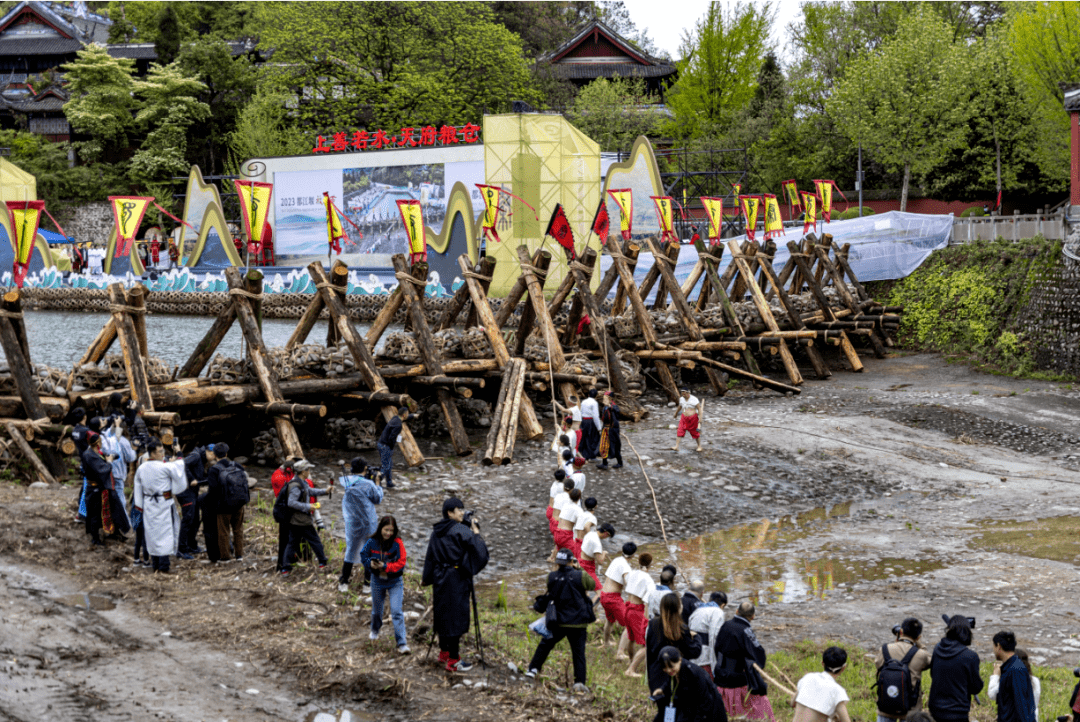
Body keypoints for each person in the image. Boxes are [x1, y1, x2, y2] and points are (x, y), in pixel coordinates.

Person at [421, 497, 489, 672]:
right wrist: (475, 531)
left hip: (439, 577)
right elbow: (479, 554)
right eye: (459, 510)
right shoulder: (461, 530)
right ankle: (454, 659)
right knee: (456, 617)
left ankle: (443, 653)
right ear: (450, 513)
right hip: (456, 578)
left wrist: (427, 578)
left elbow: (430, 556)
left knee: (442, 613)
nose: (462, 513)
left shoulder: (437, 531)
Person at [524, 548, 596, 692]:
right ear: (571, 561)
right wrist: (579, 567)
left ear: (557, 562)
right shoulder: (580, 575)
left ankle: (532, 670)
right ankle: (579, 682)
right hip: (578, 622)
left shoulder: (551, 577)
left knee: (545, 645)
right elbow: (592, 585)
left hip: (558, 621)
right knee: (578, 653)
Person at [133, 439, 187, 573]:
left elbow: (137, 488)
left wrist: (139, 505)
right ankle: (163, 566)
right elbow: (179, 466)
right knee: (164, 534)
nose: (163, 453)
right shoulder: (165, 467)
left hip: (149, 504)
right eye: (160, 451)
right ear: (152, 453)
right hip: (163, 503)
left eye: (163, 450)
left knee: (152, 534)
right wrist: (179, 452)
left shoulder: (142, 468)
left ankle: (155, 565)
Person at [715, 601, 773, 721]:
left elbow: (716, 647)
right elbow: (758, 653)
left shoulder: (725, 625)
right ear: (753, 616)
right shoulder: (746, 630)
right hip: (736, 678)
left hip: (720, 674)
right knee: (744, 709)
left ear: (736, 611)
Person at [360, 515, 410, 654]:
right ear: (380, 528)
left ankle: (402, 644)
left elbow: (402, 562)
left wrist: (386, 566)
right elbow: (363, 555)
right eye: (386, 529)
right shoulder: (372, 541)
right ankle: (375, 630)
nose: (388, 533)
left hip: (395, 582)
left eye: (391, 530)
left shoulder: (398, 543)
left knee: (396, 611)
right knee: (377, 611)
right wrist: (369, 563)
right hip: (377, 581)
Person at [646, 593, 702, 714]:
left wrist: (650, 677)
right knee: (676, 711)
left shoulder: (652, 624)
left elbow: (649, 653)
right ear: (678, 608)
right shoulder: (681, 628)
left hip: (656, 675)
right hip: (674, 676)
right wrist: (697, 638)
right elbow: (694, 652)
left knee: (663, 711)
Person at [339, 457, 384, 592]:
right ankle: (367, 585)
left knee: (351, 550)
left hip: (352, 522)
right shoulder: (368, 484)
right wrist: (377, 483)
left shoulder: (346, 481)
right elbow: (377, 498)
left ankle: (344, 582)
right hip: (368, 522)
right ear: (365, 468)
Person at [874, 617, 932, 722]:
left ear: (901, 631)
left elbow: (878, 664)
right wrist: (919, 644)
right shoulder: (921, 654)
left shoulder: (884, 649)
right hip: (910, 710)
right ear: (919, 637)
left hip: (886, 705)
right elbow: (929, 661)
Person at [928, 615, 983, 722]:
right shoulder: (970, 656)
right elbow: (976, 687)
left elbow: (932, 674)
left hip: (935, 708)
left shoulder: (937, 649)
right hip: (957, 711)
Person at [651, 646, 728, 722]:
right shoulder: (675, 672)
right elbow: (670, 683)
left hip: (706, 708)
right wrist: (662, 689)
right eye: (665, 668)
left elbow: (705, 702)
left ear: (680, 660)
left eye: (671, 667)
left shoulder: (694, 674)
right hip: (687, 706)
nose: (668, 670)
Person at [279, 464, 330, 576]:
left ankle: (285, 568)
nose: (309, 471)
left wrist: (325, 491)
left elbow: (310, 491)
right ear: (303, 471)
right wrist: (308, 507)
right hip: (301, 520)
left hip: (295, 520)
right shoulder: (296, 486)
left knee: (292, 543)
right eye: (308, 469)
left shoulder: (302, 482)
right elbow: (291, 502)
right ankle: (322, 562)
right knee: (315, 540)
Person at [82, 430, 131, 546]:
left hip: (104, 488)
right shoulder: (89, 455)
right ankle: (95, 539)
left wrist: (109, 457)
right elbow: (102, 470)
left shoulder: (96, 452)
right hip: (95, 490)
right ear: (97, 442)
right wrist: (109, 462)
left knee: (114, 510)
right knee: (95, 514)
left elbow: (108, 457)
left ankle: (115, 533)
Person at [206, 443, 247, 562]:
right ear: (227, 453)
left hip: (223, 505)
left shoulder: (214, 469)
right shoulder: (237, 465)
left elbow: (212, 490)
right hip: (239, 503)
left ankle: (225, 557)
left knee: (223, 531)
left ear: (214, 455)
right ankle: (239, 555)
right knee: (238, 529)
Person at [790, 646, 851, 722]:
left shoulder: (807, 677)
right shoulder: (837, 691)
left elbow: (792, 703)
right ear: (843, 668)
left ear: (822, 663)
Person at [990, 632, 1037, 722]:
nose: (993, 650)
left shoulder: (1015, 670)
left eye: (994, 646)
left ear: (998, 646)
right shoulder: (1011, 666)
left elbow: (1021, 704)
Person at [100, 417, 135, 524]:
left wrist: (115, 425)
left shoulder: (104, 437)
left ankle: (110, 522)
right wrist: (134, 449)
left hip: (105, 472)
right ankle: (124, 525)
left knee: (107, 500)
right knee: (120, 500)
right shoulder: (123, 441)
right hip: (118, 474)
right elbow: (130, 458)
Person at [624, 552, 654, 677]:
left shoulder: (632, 573)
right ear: (650, 565)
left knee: (631, 639)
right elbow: (649, 599)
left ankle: (631, 662)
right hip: (637, 610)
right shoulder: (648, 579)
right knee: (645, 644)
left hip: (628, 608)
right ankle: (631, 670)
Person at [600, 541, 635, 648]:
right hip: (612, 598)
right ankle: (621, 652)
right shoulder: (626, 567)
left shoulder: (616, 560)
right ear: (633, 555)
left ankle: (606, 643)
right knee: (629, 624)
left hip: (603, 595)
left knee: (609, 621)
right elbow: (628, 585)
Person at [688, 591, 727, 679]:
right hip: (706, 659)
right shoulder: (718, 612)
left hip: (694, 654)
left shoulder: (697, 610)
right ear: (723, 605)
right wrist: (716, 662)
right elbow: (714, 636)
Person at [377, 407, 408, 489]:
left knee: (389, 464)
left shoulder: (395, 418)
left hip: (381, 443)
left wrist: (413, 416)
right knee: (386, 466)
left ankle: (389, 482)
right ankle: (377, 481)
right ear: (404, 415)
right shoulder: (398, 425)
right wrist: (391, 447)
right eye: (408, 414)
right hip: (386, 446)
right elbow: (392, 437)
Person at [580, 522, 614, 590]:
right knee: (599, 591)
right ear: (606, 533)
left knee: (582, 589)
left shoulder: (590, 533)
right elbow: (600, 561)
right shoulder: (597, 543)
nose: (606, 538)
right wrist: (604, 553)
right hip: (587, 567)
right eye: (608, 536)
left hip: (580, 561)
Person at [671, 388, 703, 453]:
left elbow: (699, 409)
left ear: (688, 393)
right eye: (682, 393)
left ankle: (699, 446)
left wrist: (700, 418)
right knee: (680, 430)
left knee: (695, 432)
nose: (683, 395)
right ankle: (676, 446)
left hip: (693, 418)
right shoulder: (681, 399)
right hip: (684, 417)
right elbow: (680, 406)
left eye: (684, 393)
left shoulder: (694, 399)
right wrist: (676, 413)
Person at [597, 392, 623, 469]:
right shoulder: (605, 407)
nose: (603, 399)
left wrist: (610, 407)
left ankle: (620, 462)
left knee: (615, 446)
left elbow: (617, 413)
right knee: (603, 445)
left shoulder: (614, 407)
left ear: (610, 399)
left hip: (612, 430)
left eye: (605, 398)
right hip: (605, 429)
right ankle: (604, 463)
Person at [578, 388, 603, 461]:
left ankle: (583, 453)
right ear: (596, 396)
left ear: (588, 394)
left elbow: (581, 412)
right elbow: (595, 416)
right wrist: (599, 428)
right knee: (592, 438)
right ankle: (591, 455)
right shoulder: (594, 403)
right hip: (590, 422)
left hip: (583, 420)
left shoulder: (583, 401)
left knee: (584, 437)